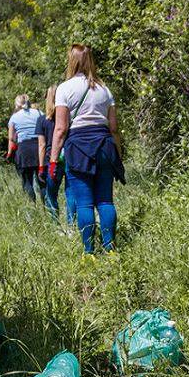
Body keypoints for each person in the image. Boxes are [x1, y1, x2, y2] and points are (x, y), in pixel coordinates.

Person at [51, 44, 123, 253]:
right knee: (105, 201)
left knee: (84, 204)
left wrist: (53, 160)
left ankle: (89, 252)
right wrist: (117, 155)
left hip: (79, 148)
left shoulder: (65, 88)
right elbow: (114, 128)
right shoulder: (104, 89)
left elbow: (61, 128)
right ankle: (110, 249)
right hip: (104, 146)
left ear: (71, 61)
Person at [7, 93, 44, 201]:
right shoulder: (38, 113)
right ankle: (47, 209)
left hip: (23, 149)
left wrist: (11, 151)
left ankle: (32, 206)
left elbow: (11, 138)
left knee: (27, 182)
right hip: (39, 147)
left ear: (17, 104)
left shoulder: (14, 117)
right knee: (42, 181)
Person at [36, 87, 60, 218]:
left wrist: (41, 167)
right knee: (71, 192)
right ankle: (71, 222)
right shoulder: (66, 116)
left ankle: (55, 222)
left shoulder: (41, 120)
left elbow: (42, 144)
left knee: (51, 195)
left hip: (50, 159)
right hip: (66, 156)